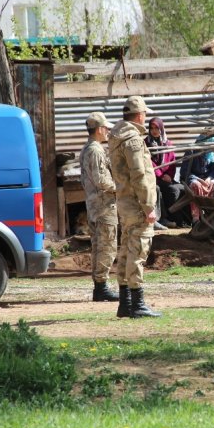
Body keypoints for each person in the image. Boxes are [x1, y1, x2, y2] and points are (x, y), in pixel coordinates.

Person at [108, 95, 162, 318]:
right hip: (136, 203)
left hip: (124, 202)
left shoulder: (116, 136)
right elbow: (139, 174)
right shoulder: (133, 139)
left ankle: (125, 303)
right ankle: (137, 304)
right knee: (138, 250)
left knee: (125, 249)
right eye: (145, 114)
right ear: (140, 115)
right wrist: (149, 205)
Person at [80, 112, 120, 302]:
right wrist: (119, 187)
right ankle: (101, 286)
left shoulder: (88, 149)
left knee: (98, 245)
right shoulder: (95, 151)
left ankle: (100, 286)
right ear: (100, 129)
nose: (108, 132)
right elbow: (100, 179)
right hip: (103, 206)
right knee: (106, 246)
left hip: (95, 205)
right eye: (106, 128)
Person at [145, 117, 191, 228]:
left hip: (167, 178)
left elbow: (172, 162)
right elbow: (149, 163)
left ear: (161, 128)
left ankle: (187, 220)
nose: (154, 130)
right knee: (172, 190)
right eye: (151, 128)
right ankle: (174, 220)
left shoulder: (168, 143)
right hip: (154, 178)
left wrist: (170, 176)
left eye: (156, 128)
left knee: (183, 188)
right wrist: (161, 176)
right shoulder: (146, 144)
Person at [180, 135, 214, 224]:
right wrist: (198, 179)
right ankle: (196, 218)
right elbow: (184, 171)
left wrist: (209, 178)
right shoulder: (191, 151)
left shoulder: (211, 154)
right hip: (193, 179)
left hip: (207, 179)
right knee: (196, 185)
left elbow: (213, 171)